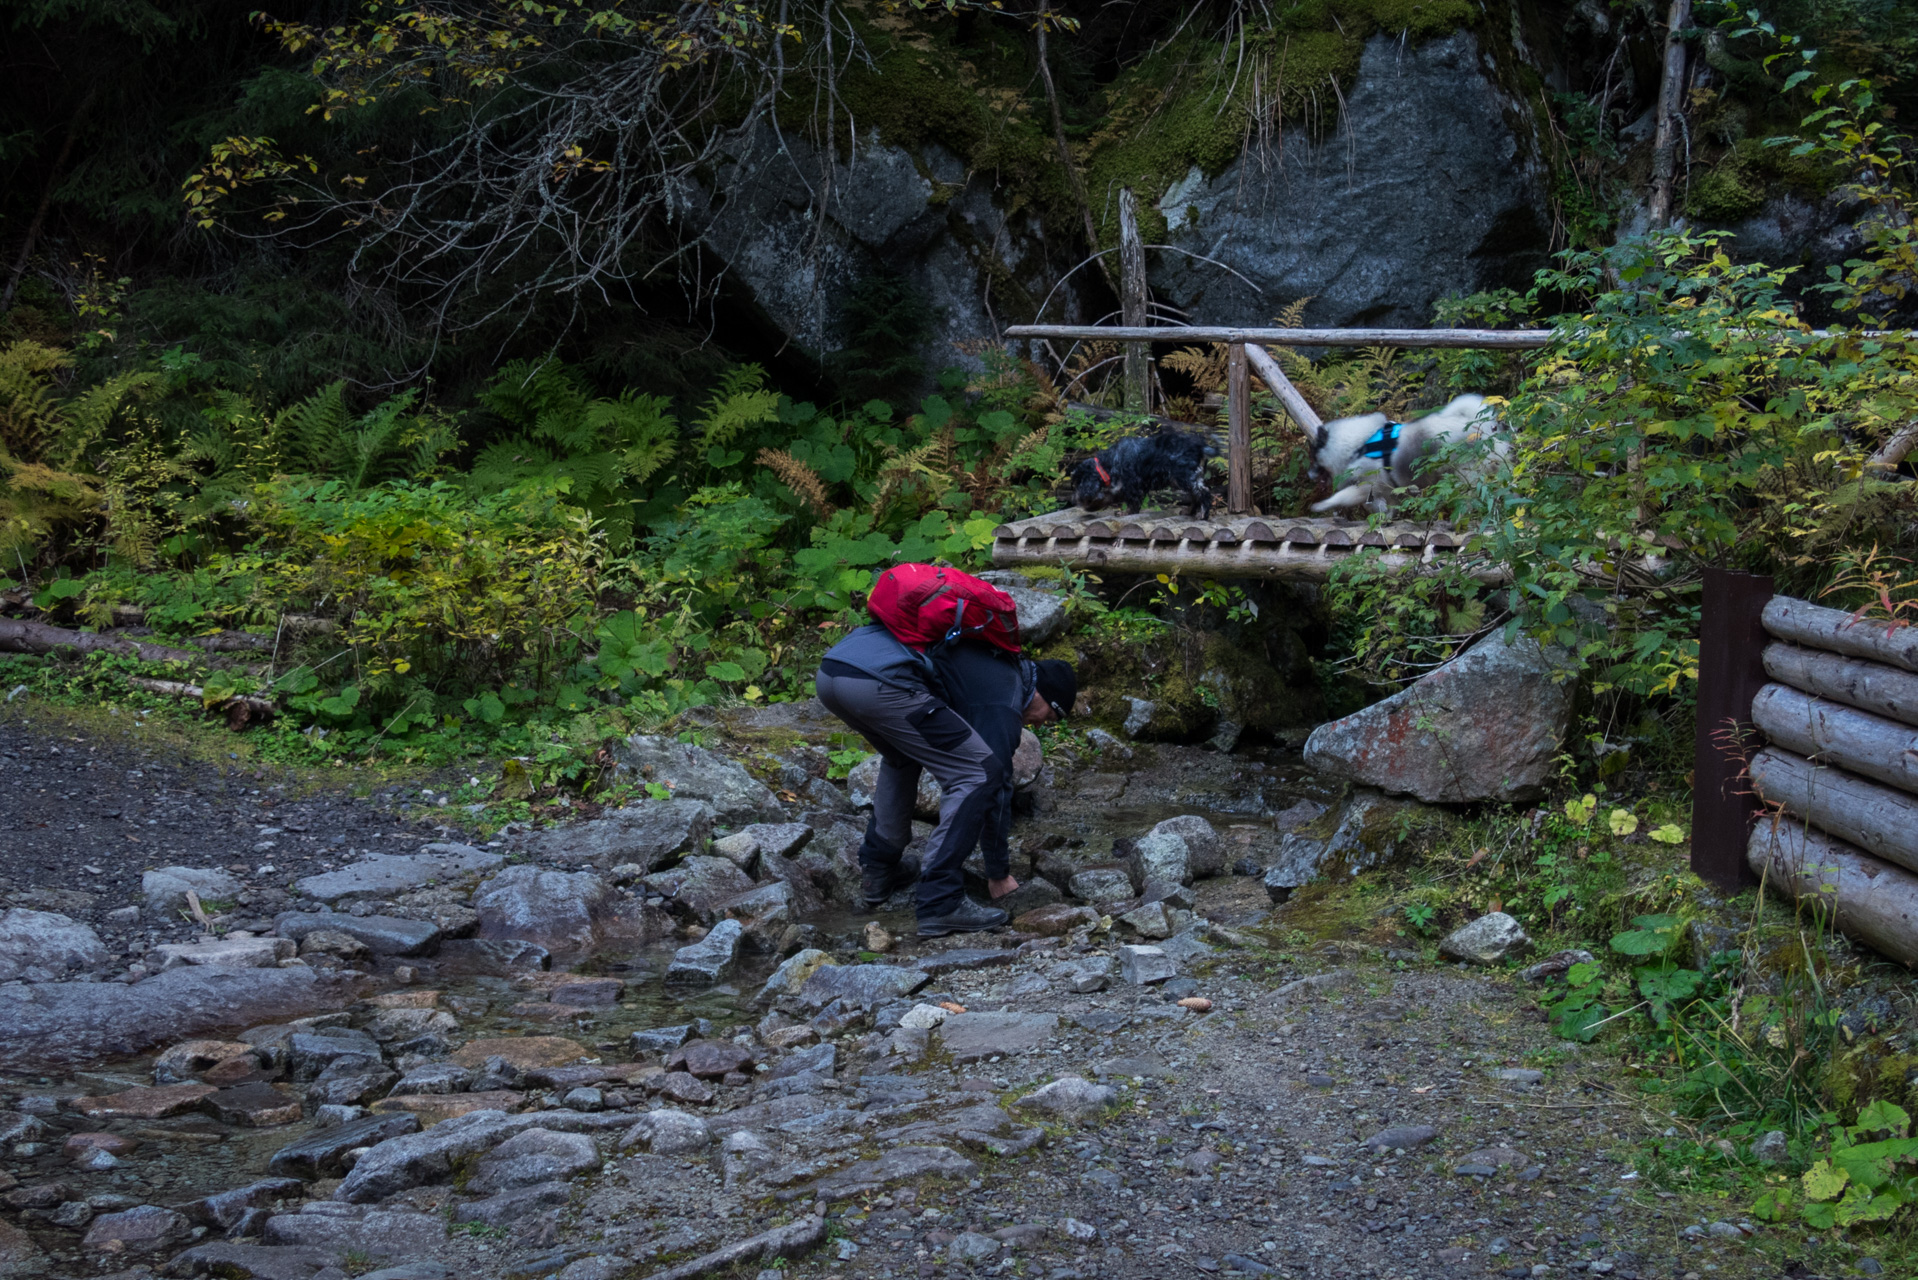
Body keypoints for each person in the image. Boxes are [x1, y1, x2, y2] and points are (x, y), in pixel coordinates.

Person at [814, 619, 1077, 937]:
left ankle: (879, 871)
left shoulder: (991, 665)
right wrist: (998, 872)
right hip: (880, 682)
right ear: (1043, 695)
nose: (1040, 723)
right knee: (978, 774)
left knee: (902, 758)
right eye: (1049, 715)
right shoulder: (1006, 694)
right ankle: (941, 901)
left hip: (834, 672)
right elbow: (995, 782)